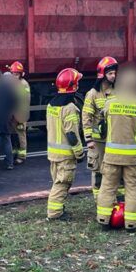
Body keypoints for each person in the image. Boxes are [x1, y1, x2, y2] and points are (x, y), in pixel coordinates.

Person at [96, 65, 136, 232]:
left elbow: (102, 125)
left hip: (111, 157)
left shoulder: (109, 104)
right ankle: (131, 224)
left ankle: (103, 220)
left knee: (107, 187)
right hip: (133, 158)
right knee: (133, 188)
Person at [46, 68, 85, 219]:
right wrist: (79, 153)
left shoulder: (51, 105)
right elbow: (72, 134)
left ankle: (58, 208)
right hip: (66, 155)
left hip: (53, 154)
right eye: (77, 83)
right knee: (62, 183)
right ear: (73, 86)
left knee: (57, 181)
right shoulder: (70, 108)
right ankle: (55, 213)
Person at [83, 56, 119, 202]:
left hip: (114, 140)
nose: (113, 76)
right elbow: (86, 117)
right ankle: (99, 200)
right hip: (97, 141)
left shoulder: (118, 91)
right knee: (97, 170)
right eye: (110, 73)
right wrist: (88, 139)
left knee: (115, 170)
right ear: (102, 74)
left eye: (115, 73)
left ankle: (116, 199)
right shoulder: (93, 93)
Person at [7, 61, 30, 164]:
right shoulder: (13, 84)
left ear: (21, 74)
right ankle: (14, 153)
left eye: (16, 74)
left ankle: (21, 156)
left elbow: (22, 100)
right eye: (13, 74)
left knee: (21, 135)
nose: (14, 76)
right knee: (13, 134)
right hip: (13, 114)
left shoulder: (23, 84)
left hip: (20, 114)